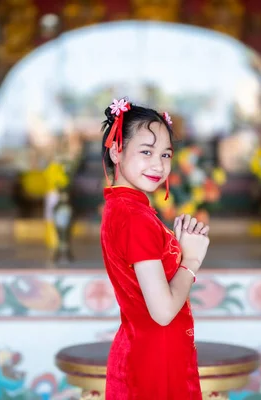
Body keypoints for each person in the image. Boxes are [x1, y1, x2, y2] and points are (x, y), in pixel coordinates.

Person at [100, 97, 210, 399]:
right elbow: (162, 312)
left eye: (166, 154)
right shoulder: (135, 218)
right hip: (154, 366)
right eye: (146, 151)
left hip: (147, 352)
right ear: (116, 150)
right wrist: (191, 260)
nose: (158, 164)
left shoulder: (122, 208)